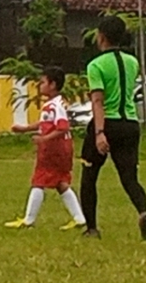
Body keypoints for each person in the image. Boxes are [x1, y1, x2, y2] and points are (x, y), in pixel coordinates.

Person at [80, 16, 146, 240]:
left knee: (89, 176)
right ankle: (143, 212)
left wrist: (100, 132)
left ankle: (92, 228)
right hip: (130, 124)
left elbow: (98, 101)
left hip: (108, 123)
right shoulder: (132, 62)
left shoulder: (96, 65)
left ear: (101, 36)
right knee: (130, 177)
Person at [5, 66, 86, 230]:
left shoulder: (55, 105)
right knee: (60, 182)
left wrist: (44, 139)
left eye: (42, 82)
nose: (39, 85)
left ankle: (29, 221)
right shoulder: (55, 104)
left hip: (54, 149)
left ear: (53, 85)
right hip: (63, 148)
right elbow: (46, 123)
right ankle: (79, 218)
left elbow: (62, 127)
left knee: (38, 180)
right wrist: (25, 128)